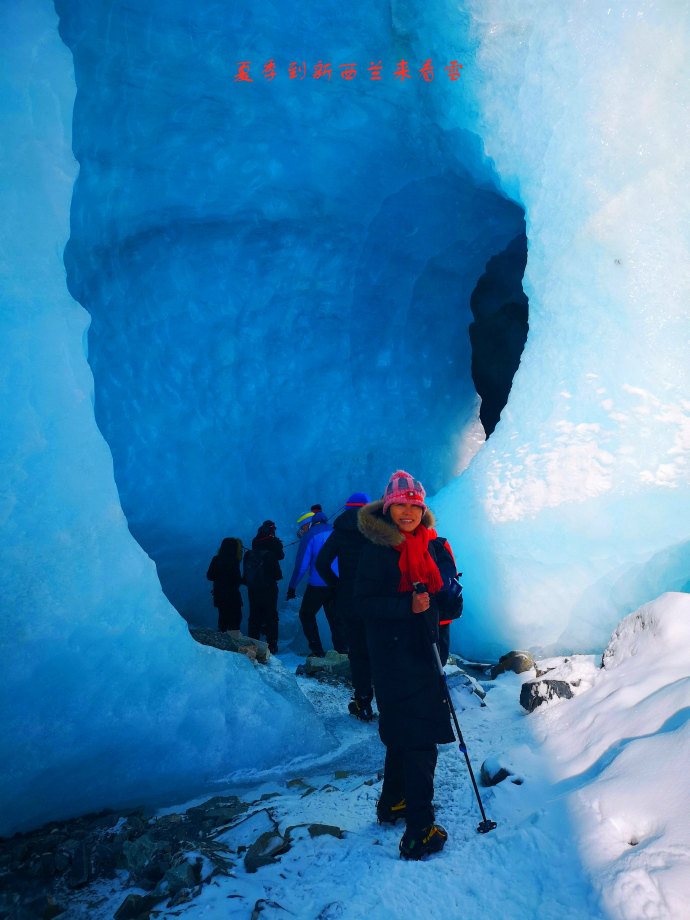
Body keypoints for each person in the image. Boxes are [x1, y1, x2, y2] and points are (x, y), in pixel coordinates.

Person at [354, 470, 456, 860]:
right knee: (419, 741)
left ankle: (393, 802)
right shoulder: (378, 549)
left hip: (419, 653)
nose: (407, 512)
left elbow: (432, 598)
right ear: (388, 507)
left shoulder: (424, 545)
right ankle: (419, 831)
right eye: (400, 505)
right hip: (397, 658)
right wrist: (406, 606)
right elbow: (361, 604)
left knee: (402, 733)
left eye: (414, 505)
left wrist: (446, 604)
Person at [315, 492, 375, 721]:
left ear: (347, 508)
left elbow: (321, 563)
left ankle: (363, 703)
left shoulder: (339, 533)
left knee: (358, 654)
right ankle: (389, 704)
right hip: (375, 600)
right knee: (380, 650)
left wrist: (337, 584)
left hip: (349, 600)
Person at [287, 511, 348, 657]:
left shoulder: (310, 535)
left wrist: (292, 587)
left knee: (306, 614)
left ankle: (317, 650)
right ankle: (342, 652)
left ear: (309, 524)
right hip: (337, 583)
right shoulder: (337, 531)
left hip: (318, 584)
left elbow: (301, 566)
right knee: (335, 619)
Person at [245, 520, 284, 653]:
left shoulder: (251, 551)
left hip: (253, 588)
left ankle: (252, 644)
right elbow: (278, 573)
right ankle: (271, 645)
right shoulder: (271, 552)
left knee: (254, 616)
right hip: (269, 588)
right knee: (271, 616)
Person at [206, 537, 244, 632]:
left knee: (223, 618)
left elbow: (209, 576)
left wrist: (219, 581)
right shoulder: (234, 561)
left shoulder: (216, 559)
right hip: (232, 595)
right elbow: (237, 579)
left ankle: (221, 640)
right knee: (235, 619)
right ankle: (233, 641)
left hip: (219, 594)